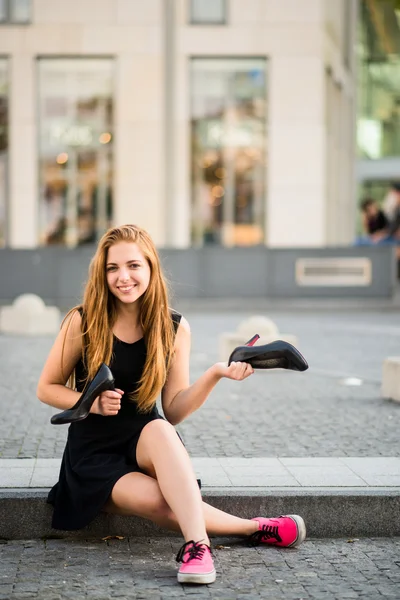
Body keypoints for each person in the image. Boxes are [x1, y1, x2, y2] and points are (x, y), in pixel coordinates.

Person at [37, 224, 306, 586]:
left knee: (162, 426)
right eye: (112, 268)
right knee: (167, 503)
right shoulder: (82, 320)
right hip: (93, 454)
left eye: (133, 265)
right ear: (101, 274)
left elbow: (174, 409)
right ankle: (257, 528)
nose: (123, 277)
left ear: (150, 268)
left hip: (149, 441)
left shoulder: (174, 327)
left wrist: (214, 374)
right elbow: (47, 388)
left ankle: (198, 548)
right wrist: (90, 402)